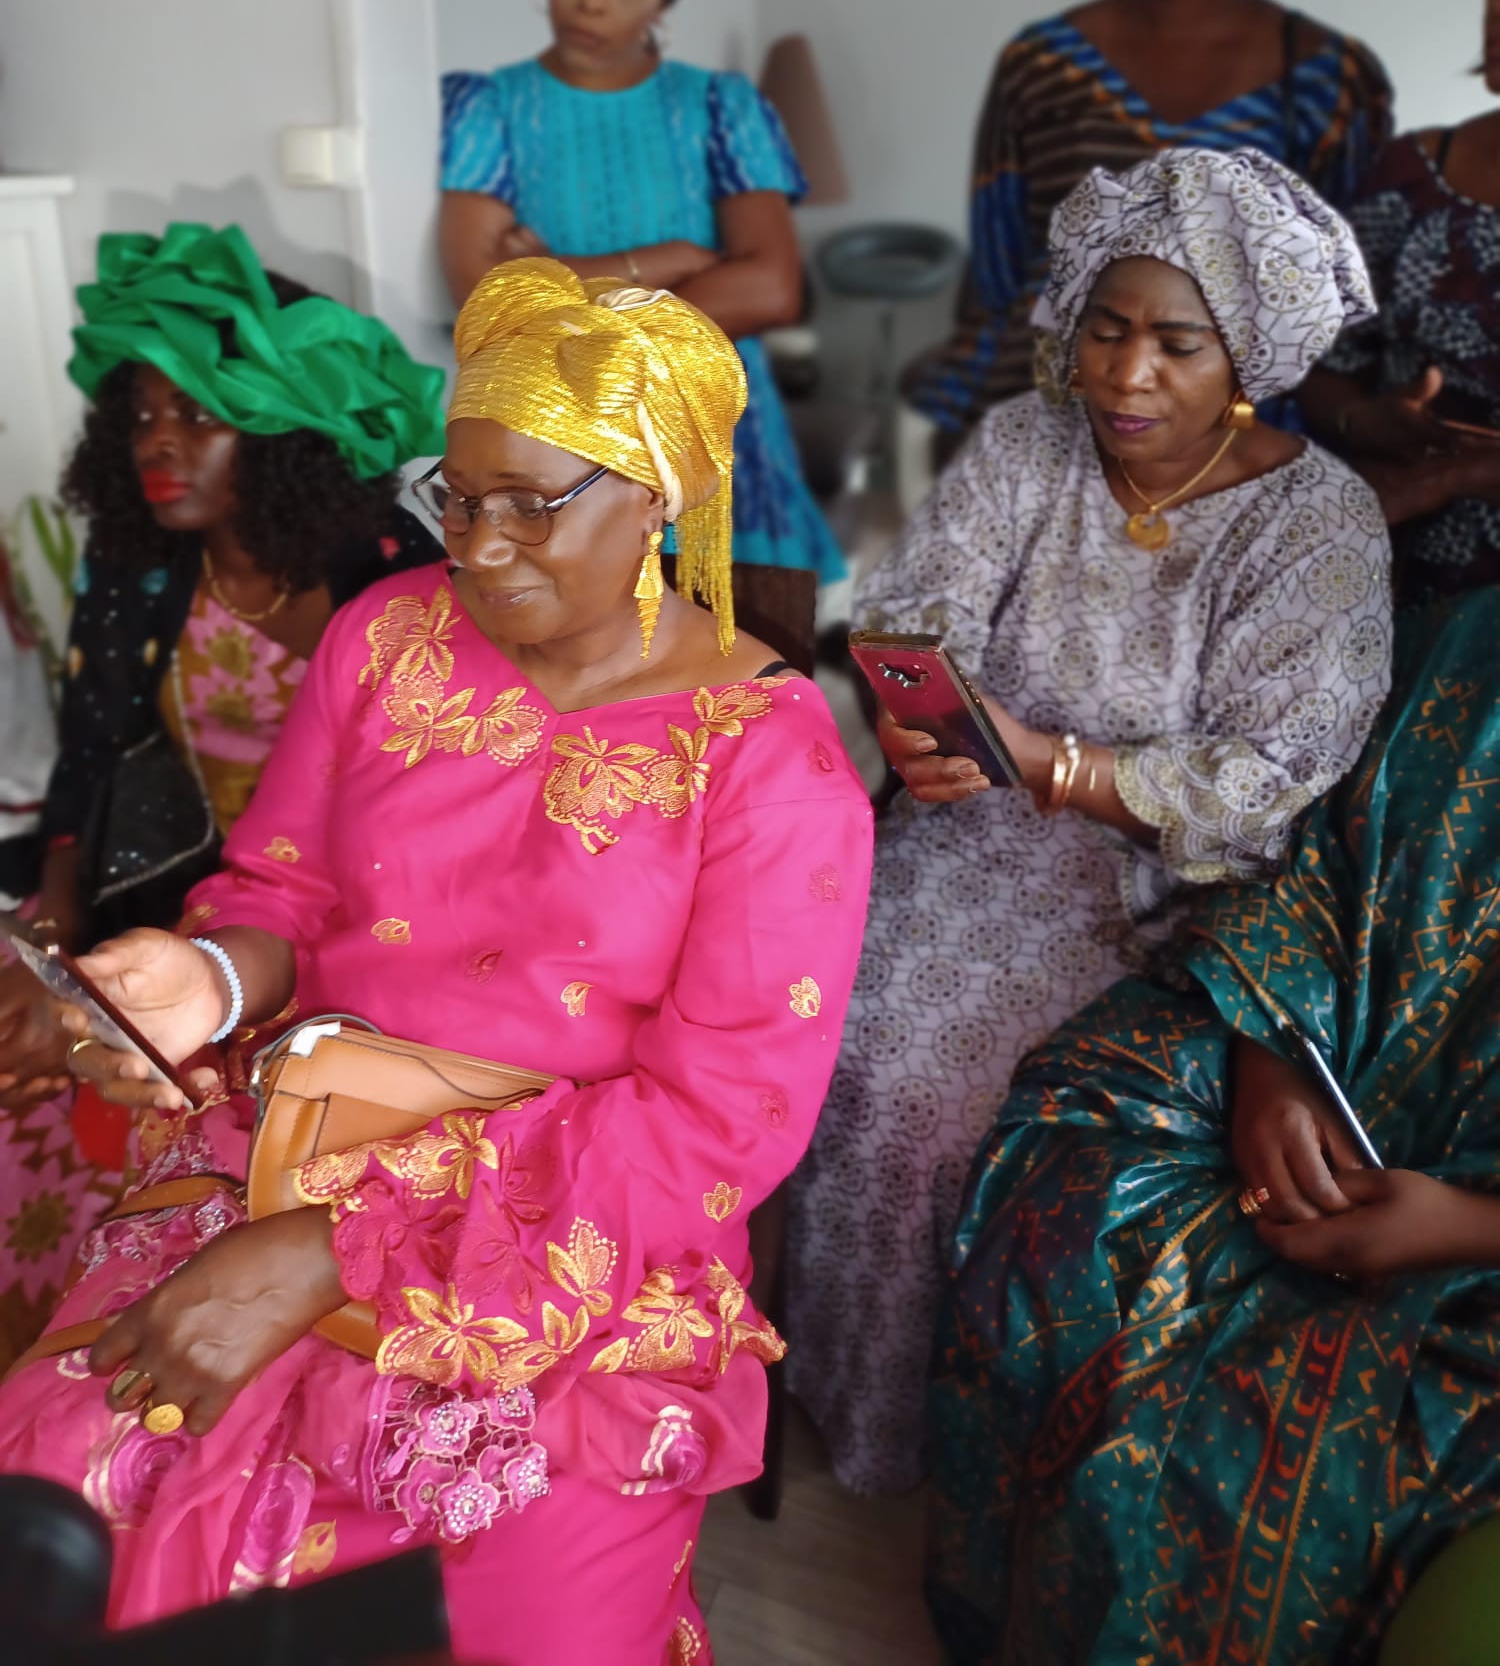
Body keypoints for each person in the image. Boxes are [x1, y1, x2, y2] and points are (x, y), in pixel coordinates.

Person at [0, 260, 873, 1664]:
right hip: (289, 1145)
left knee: (495, 1616)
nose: (479, 546)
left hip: (584, 1239)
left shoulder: (767, 762)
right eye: (458, 500)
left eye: (532, 503)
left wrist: (330, 1254)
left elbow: (715, 1125)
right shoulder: (384, 638)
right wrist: (207, 979)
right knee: (68, 1493)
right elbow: (279, 892)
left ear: (658, 493)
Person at [785, 147, 1393, 1495]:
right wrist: (914, 717)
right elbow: (916, 614)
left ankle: (970, 1458)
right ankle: (839, 1390)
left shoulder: (1320, 527)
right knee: (818, 1026)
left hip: (1158, 889)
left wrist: (1050, 764)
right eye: (1107, 328)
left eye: (1178, 344)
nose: (1126, 373)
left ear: (1250, 354)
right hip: (963, 838)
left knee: (957, 1104)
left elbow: (1267, 783)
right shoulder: (1026, 444)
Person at [927, 587, 1500, 1665]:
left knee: (1285, 1460)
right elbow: (1319, 859)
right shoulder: (1472, 645)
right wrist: (1268, 1056)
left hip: (1471, 1261)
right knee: (1067, 1213)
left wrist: (1462, 1227)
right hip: (1317, 1056)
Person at [0, 222, 445, 1369]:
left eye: (199, 413)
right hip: (160, 916)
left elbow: (426, 837)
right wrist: (52, 947)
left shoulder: (395, 579)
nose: (160, 441)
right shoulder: (142, 563)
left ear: (281, 420)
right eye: (143, 414)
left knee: (132, 1159)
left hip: (331, 945)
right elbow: (90, 762)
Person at [904, 0, 1392, 445]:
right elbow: (995, 286)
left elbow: (1345, 320)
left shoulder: (1329, 82)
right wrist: (963, 440)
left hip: (1231, 463)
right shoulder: (1043, 65)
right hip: (1043, 445)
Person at [438, 0, 845, 585]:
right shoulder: (488, 107)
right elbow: (486, 305)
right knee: (587, 645)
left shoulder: (721, 107)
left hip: (717, 438)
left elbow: (772, 288)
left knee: (743, 645)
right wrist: (667, 260)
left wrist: (558, 286)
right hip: (560, 454)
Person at [1301, 0, 1500, 605]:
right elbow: (1325, 368)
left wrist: (1455, 476)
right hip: (1391, 592)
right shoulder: (1412, 175)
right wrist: (1365, 419)